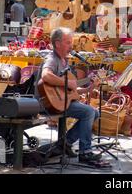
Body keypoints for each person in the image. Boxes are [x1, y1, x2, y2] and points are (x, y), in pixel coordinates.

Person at [38, 27, 102, 162]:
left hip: (62, 101)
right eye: (68, 42)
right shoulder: (52, 59)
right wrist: (67, 83)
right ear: (57, 44)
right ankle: (85, 152)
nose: (71, 46)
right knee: (89, 112)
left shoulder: (64, 61)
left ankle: (65, 143)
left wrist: (89, 88)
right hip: (50, 103)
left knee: (95, 112)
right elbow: (45, 76)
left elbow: (70, 92)